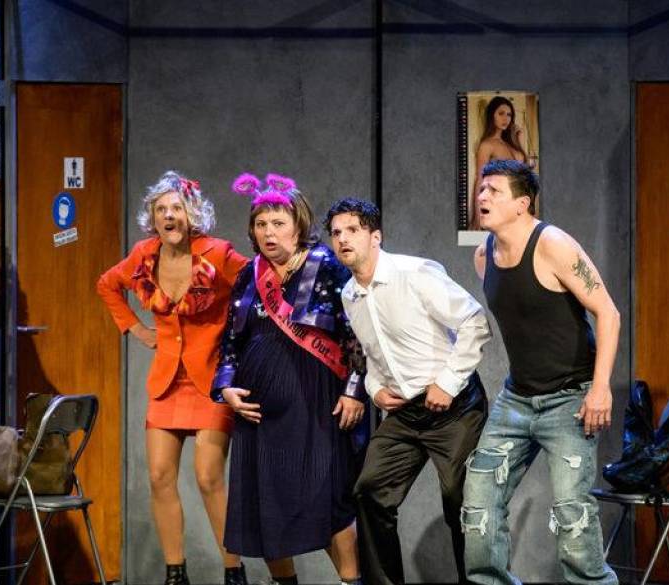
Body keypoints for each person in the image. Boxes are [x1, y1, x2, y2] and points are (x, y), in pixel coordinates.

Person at [463, 159, 620, 585]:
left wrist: (600, 388)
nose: (482, 196)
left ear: (522, 203)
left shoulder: (554, 245)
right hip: (516, 399)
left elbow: (608, 312)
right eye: (481, 189)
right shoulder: (484, 256)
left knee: (573, 514)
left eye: (494, 190)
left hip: (570, 398)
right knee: (478, 504)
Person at [326, 197, 491, 585]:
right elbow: (370, 354)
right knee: (369, 491)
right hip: (404, 413)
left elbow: (474, 321)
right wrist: (374, 389)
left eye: (352, 230)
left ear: (375, 236)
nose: (343, 239)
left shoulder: (415, 273)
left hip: (454, 408)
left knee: (460, 501)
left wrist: (446, 383)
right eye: (336, 233)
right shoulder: (349, 294)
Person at [214, 173, 366, 585]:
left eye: (278, 223)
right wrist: (226, 387)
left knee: (330, 500)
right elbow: (231, 340)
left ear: (298, 225)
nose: (269, 232)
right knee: (266, 506)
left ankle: (351, 581)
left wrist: (354, 391)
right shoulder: (249, 274)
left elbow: (359, 334)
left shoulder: (327, 267)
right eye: (261, 224)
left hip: (318, 405)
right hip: (259, 414)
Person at [97, 171, 248, 585]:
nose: (168, 215)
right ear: (153, 218)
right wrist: (135, 328)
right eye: (160, 209)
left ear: (191, 213)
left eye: (176, 208)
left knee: (208, 476)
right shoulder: (144, 255)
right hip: (167, 382)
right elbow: (107, 285)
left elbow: (259, 283)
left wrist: (243, 341)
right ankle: (175, 574)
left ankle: (233, 571)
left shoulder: (217, 253)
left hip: (212, 380)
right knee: (160, 476)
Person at [471, 96, 528, 230]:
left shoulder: (511, 143)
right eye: (501, 113)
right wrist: (478, 215)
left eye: (509, 115)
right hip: (499, 205)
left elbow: (522, 170)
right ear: (492, 115)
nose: (506, 118)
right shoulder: (487, 145)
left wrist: (518, 139)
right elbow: (479, 179)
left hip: (516, 204)